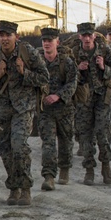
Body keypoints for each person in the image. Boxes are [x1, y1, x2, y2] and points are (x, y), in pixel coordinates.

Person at [0, 20, 49, 205]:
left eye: (8, 35)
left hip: (23, 108)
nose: (5, 38)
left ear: (16, 36)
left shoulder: (28, 53)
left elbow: (44, 77)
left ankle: (25, 188)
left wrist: (25, 73)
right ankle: (13, 188)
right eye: (1, 35)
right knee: (5, 151)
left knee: (18, 145)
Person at [68, 22, 111, 185]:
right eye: (84, 35)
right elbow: (67, 76)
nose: (87, 38)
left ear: (94, 36)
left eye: (90, 35)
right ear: (79, 37)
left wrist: (104, 67)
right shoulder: (74, 53)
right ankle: (89, 170)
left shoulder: (105, 50)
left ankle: (106, 166)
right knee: (85, 135)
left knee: (103, 134)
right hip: (84, 100)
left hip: (102, 98)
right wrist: (78, 68)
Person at [37, 27, 78, 190]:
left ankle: (65, 168)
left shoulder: (66, 62)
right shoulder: (37, 62)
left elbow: (73, 82)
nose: (47, 43)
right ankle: (49, 176)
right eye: (44, 41)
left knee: (66, 142)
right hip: (45, 110)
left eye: (50, 40)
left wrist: (58, 95)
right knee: (48, 143)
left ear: (57, 42)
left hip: (64, 109)